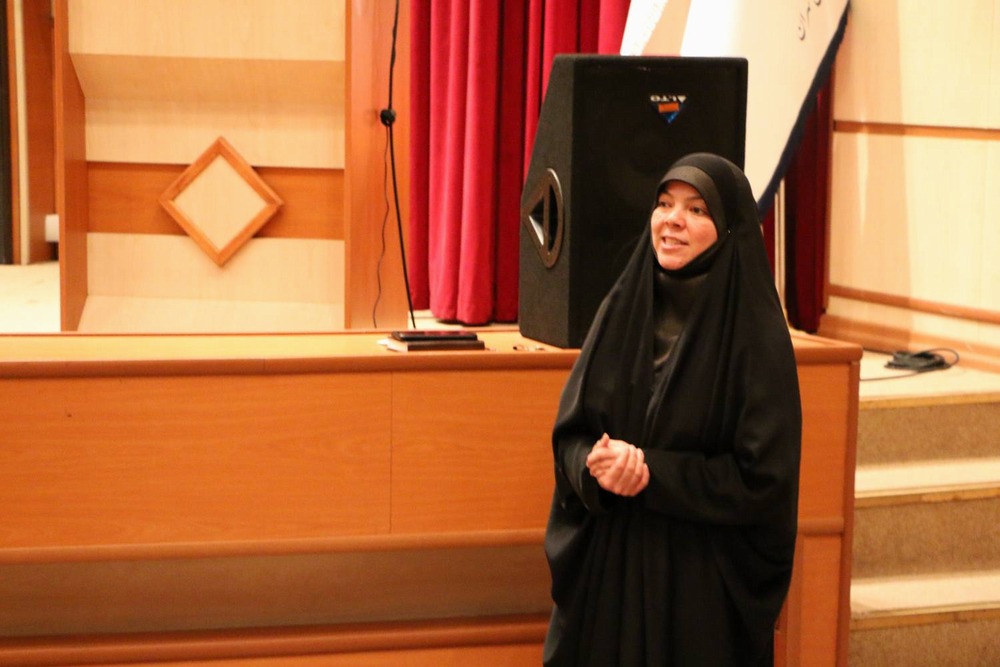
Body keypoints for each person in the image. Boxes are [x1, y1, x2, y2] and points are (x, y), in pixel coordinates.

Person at [542, 153, 802, 666]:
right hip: (610, 579)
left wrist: (651, 473)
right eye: (664, 204)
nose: (673, 220)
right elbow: (569, 437)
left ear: (729, 228)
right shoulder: (620, 311)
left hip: (698, 591)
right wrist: (596, 468)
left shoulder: (757, 339)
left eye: (697, 209)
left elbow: (762, 481)